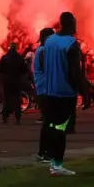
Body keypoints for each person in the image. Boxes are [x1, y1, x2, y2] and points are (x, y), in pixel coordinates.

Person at [37, 12, 83, 175]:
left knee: (52, 127)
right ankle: (57, 164)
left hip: (50, 92)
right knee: (61, 129)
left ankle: (51, 160)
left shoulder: (49, 41)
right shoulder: (71, 44)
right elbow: (74, 72)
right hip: (65, 93)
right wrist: (83, 90)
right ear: (70, 24)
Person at [33, 27, 55, 162]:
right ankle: (44, 153)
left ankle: (45, 152)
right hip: (46, 90)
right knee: (49, 123)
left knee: (49, 122)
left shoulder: (41, 51)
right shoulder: (43, 52)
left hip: (45, 90)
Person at [0, 42, 29, 124]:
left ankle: (5, 117)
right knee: (17, 99)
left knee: (6, 99)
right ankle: (18, 118)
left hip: (6, 81)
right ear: (16, 48)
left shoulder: (4, 58)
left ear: (9, 48)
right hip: (16, 81)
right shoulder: (20, 58)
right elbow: (25, 70)